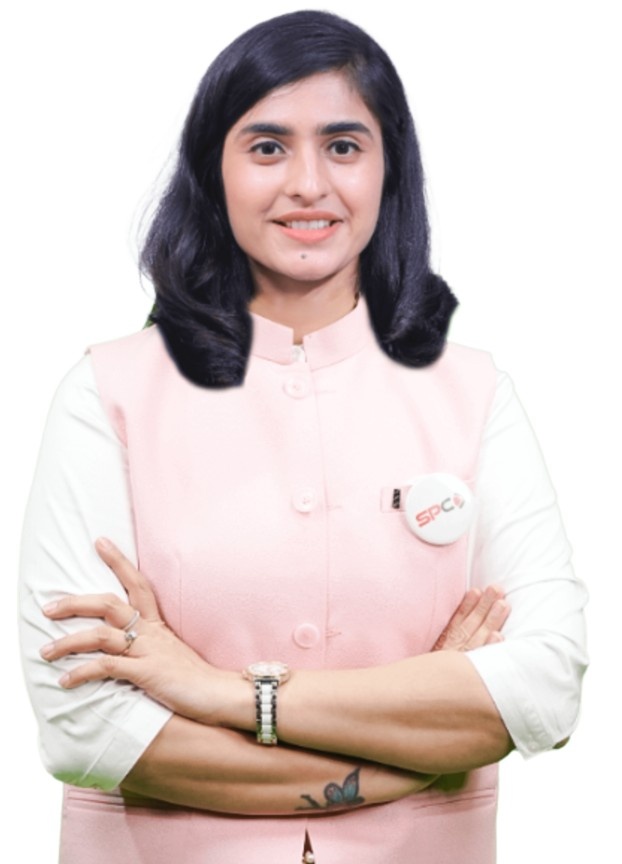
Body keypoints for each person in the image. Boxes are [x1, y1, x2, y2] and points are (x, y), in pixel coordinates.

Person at [19, 10, 587, 864]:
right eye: (267, 147)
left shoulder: (475, 395)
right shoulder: (106, 395)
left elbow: (544, 692)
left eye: (344, 146)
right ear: (213, 170)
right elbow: (85, 728)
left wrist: (219, 692)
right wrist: (425, 736)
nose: (308, 184)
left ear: (390, 169)